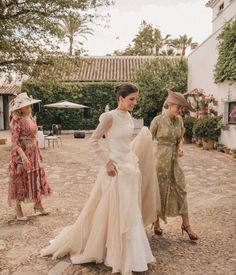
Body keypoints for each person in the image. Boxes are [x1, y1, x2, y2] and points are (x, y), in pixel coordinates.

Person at [40, 83, 159, 275]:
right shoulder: (109, 117)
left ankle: (135, 254)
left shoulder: (128, 116)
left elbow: (126, 142)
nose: (134, 103)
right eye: (131, 99)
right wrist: (107, 162)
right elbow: (94, 140)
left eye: (136, 99)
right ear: (120, 99)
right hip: (115, 170)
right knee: (114, 211)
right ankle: (113, 253)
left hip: (129, 167)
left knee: (129, 211)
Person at [150, 90, 199, 240]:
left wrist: (180, 146)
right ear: (169, 105)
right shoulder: (157, 120)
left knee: (181, 189)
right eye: (178, 107)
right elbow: (148, 139)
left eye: (182, 108)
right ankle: (156, 222)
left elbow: (181, 138)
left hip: (175, 159)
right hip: (160, 159)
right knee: (159, 190)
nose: (180, 110)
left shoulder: (180, 121)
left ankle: (186, 224)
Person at [8, 93, 51, 220]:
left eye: (29, 105)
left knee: (36, 177)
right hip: (22, 154)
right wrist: (23, 157)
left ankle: (38, 204)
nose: (28, 107)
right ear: (20, 108)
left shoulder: (30, 117)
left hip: (34, 153)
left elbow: (34, 138)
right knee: (20, 180)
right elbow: (14, 142)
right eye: (26, 105)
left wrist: (39, 153)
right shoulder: (16, 120)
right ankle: (18, 209)